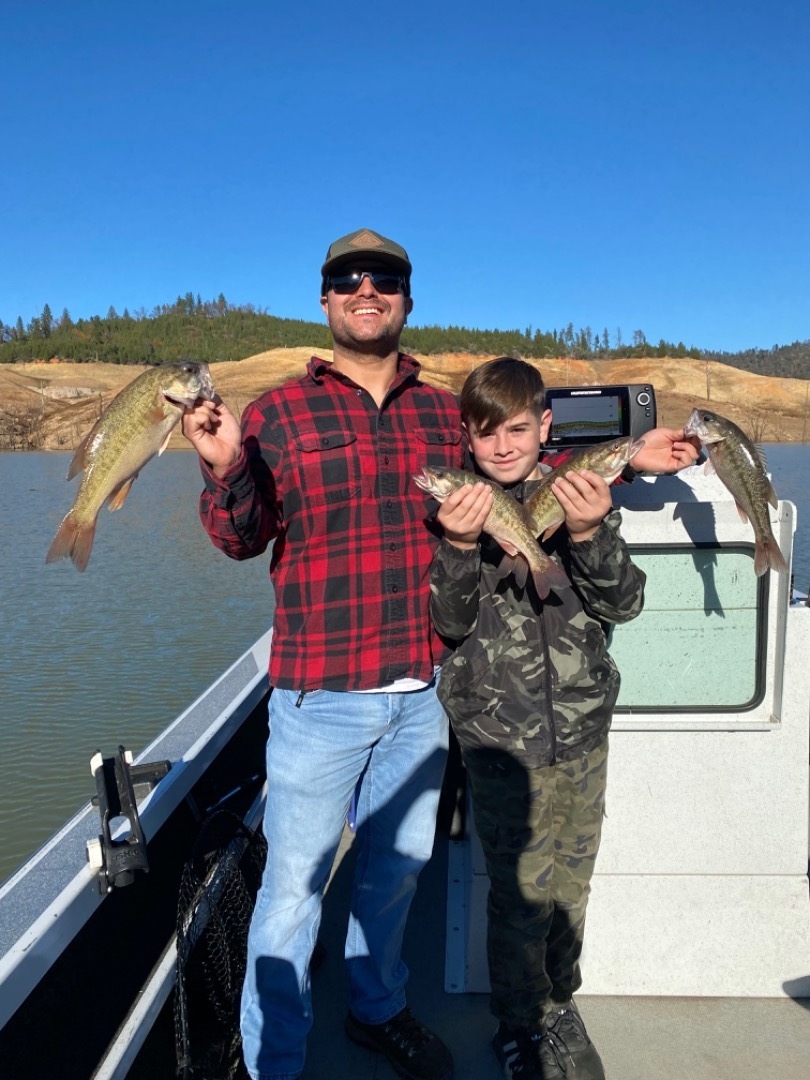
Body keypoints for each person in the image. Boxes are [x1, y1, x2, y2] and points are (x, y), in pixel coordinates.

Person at [181, 228, 462, 1080]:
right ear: (325, 297)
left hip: (424, 688)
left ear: (409, 298)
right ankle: (276, 1063)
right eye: (347, 277)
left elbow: (521, 462)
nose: (366, 288)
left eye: (386, 278)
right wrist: (226, 466)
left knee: (396, 874)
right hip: (318, 696)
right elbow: (241, 537)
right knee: (291, 896)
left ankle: (378, 1008)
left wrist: (627, 456)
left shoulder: (447, 411)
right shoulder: (274, 413)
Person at [426, 357, 654, 1080]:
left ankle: (560, 1003)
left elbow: (624, 603)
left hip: (583, 732)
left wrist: (588, 534)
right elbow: (450, 623)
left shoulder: (576, 493)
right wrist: (460, 547)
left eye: (518, 430)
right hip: (499, 743)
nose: (502, 446)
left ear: (544, 428)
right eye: (487, 433)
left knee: (569, 890)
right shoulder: (456, 510)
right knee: (520, 894)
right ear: (467, 437)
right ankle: (518, 1024)